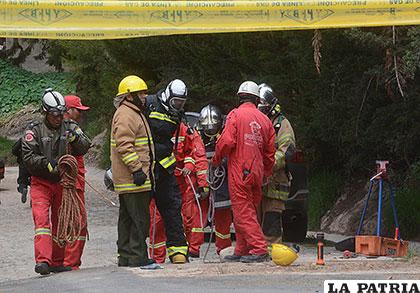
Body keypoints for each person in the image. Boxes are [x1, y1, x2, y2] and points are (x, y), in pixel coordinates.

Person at [21, 88, 91, 275]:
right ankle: (43, 261)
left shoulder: (69, 127)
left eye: (61, 113)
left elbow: (85, 146)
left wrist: (76, 139)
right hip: (41, 182)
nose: (59, 118)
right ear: (45, 112)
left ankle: (58, 261)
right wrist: (48, 165)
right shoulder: (34, 130)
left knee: (62, 221)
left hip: (62, 183)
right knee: (42, 221)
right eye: (54, 114)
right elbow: (28, 156)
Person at [212, 81, 276, 263]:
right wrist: (266, 173)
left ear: (240, 97)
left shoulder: (235, 115)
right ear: (257, 99)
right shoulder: (265, 120)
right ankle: (242, 249)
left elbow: (226, 142)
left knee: (242, 212)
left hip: (240, 170)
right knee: (248, 211)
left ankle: (259, 248)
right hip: (257, 172)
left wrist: (216, 160)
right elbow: (270, 153)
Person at [111, 75, 158, 269]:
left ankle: (126, 256)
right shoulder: (126, 114)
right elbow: (125, 145)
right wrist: (137, 170)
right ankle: (137, 256)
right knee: (139, 219)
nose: (145, 96)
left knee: (128, 219)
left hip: (131, 179)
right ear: (129, 96)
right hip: (133, 179)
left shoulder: (132, 112)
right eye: (141, 93)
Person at [146, 79, 189, 264]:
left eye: (181, 102)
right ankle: (134, 252)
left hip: (164, 168)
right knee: (140, 213)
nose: (178, 106)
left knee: (172, 207)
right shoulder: (149, 104)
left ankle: (178, 251)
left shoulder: (176, 113)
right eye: (176, 102)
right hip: (145, 167)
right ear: (167, 97)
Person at [258, 83, 296, 244]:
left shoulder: (282, 124)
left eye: (262, 107)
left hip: (275, 183)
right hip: (258, 183)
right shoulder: (256, 124)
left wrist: (268, 165)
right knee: (255, 221)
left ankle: (273, 252)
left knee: (271, 222)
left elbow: (288, 151)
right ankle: (257, 252)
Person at [59, 94, 90, 270]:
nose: (80, 113)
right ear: (69, 110)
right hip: (73, 182)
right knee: (77, 221)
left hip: (72, 180)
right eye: (78, 110)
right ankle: (70, 263)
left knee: (67, 220)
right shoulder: (69, 129)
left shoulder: (59, 128)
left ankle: (65, 261)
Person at [198, 105, 233, 254]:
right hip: (203, 182)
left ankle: (223, 247)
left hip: (222, 181)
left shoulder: (226, 134)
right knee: (196, 216)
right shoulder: (197, 136)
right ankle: (192, 248)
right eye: (208, 128)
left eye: (213, 128)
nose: (210, 131)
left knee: (223, 215)